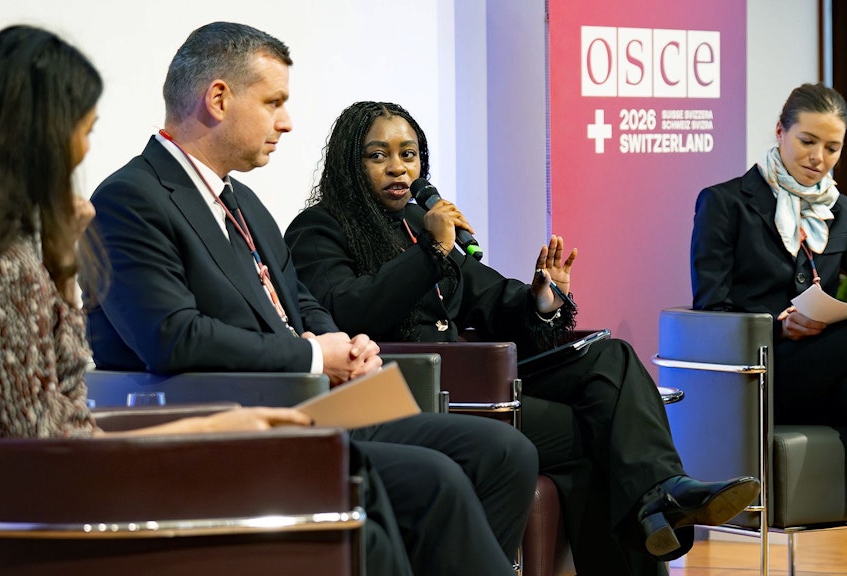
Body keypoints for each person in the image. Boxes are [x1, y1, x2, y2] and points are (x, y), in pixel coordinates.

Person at [0, 25, 417, 575]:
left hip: (40, 491)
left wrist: (62, 264)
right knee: (358, 507)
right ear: (38, 139)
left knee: (369, 489)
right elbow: (47, 448)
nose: (84, 150)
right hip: (41, 517)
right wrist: (208, 429)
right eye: (84, 130)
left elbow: (56, 421)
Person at [82, 22, 537, 576]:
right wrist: (316, 356)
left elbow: (298, 299)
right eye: (273, 102)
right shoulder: (131, 199)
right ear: (219, 99)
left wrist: (342, 343)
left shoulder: (241, 200)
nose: (287, 122)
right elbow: (171, 338)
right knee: (434, 480)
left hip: (313, 405)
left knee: (505, 453)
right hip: (237, 420)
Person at [283, 100, 761, 575]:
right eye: (378, 156)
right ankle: (659, 498)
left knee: (611, 358)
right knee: (605, 434)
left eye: (408, 154)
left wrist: (542, 298)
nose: (398, 168)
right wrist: (431, 251)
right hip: (414, 394)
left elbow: (490, 296)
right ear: (350, 164)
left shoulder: (419, 226)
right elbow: (346, 311)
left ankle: (664, 491)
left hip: (473, 382)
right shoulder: (320, 229)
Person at [691, 82, 847, 576]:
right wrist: (778, 329)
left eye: (832, 147)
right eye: (807, 141)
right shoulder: (725, 203)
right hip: (762, 378)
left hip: (825, 373)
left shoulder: (839, 210)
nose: (819, 158)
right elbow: (711, 311)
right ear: (780, 131)